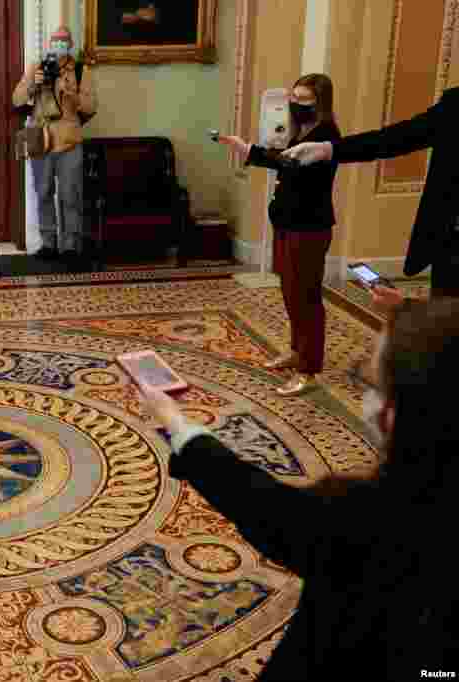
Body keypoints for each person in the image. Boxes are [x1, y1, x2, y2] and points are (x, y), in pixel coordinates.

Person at [138, 297, 459, 680]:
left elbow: (264, 505)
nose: (368, 397)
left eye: (372, 381)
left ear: (399, 411)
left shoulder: (366, 516)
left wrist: (178, 425)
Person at [217, 74, 341, 396]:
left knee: (307, 297)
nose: (296, 105)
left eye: (304, 100)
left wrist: (255, 153)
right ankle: (296, 351)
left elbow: (293, 167)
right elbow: (284, 162)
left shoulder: (326, 135)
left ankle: (309, 369)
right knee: (289, 290)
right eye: (294, 98)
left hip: (309, 228)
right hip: (286, 223)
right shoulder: (301, 131)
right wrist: (247, 149)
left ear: (320, 103)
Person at [284, 86, 459, 298]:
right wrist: (328, 149)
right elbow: (397, 137)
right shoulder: (455, 103)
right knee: (443, 317)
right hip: (449, 246)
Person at [12, 26, 96, 268]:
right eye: (56, 41)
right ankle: (48, 243)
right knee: (43, 191)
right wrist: (33, 85)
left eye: (64, 41)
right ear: (50, 42)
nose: (59, 45)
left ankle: (71, 245)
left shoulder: (81, 70)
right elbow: (16, 99)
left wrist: (72, 95)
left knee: (71, 194)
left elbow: (91, 107)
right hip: (40, 138)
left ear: (70, 44)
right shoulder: (36, 67)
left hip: (69, 138)